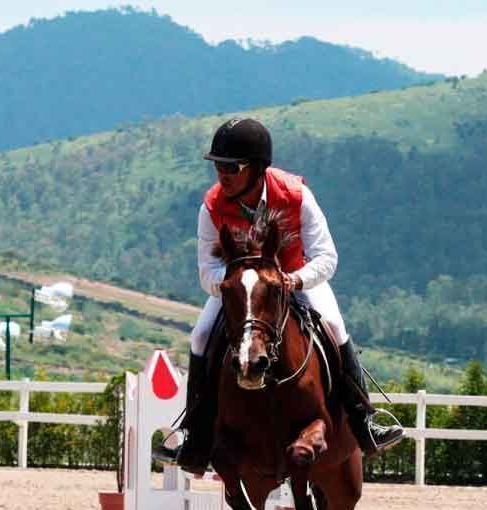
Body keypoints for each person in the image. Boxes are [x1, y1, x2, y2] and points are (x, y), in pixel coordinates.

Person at [172, 117, 403, 474]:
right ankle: (195, 435)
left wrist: (293, 281)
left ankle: (364, 421)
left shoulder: (296, 195)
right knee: (200, 335)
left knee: (335, 326)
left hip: (297, 279)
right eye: (218, 165)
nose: (222, 174)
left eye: (231, 167)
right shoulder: (212, 206)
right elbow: (207, 273)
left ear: (256, 168)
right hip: (243, 290)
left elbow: (327, 257)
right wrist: (242, 281)